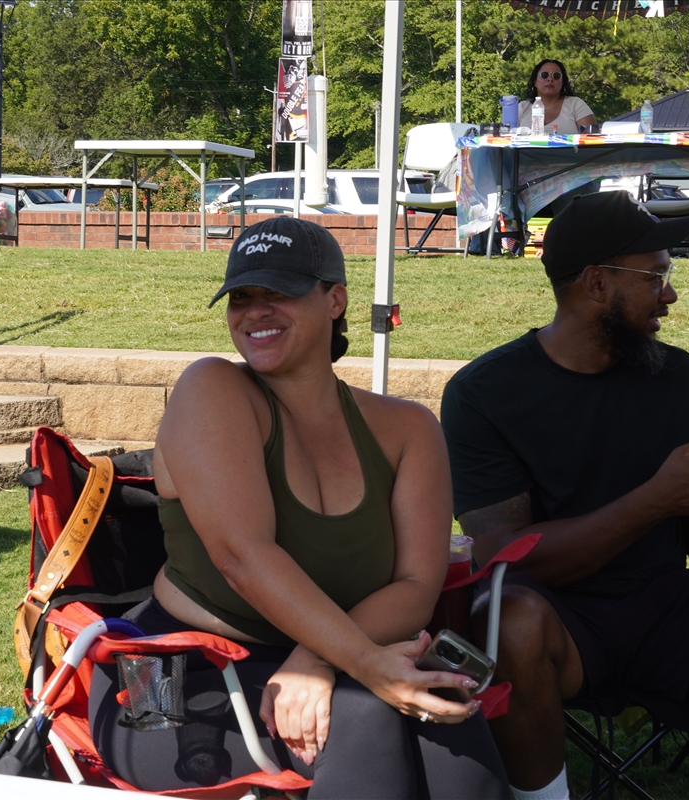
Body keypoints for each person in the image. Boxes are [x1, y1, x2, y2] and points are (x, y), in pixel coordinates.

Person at [88, 216, 509, 798]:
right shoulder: (211, 389)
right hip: (173, 679)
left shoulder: (407, 429)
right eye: (241, 297)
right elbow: (242, 555)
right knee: (365, 717)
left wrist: (321, 658)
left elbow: (417, 585)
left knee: (446, 712)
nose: (255, 312)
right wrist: (360, 661)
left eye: (279, 293)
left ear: (335, 300)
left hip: (323, 655)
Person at [440, 192, 689, 800]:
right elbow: (503, 558)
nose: (669, 295)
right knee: (507, 616)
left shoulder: (682, 379)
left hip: (668, 609)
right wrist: (655, 499)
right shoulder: (485, 391)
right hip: (556, 620)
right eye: (655, 276)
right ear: (597, 283)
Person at [518, 59, 597, 134]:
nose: (550, 79)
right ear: (535, 81)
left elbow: (591, 140)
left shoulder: (576, 104)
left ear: (562, 82)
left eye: (556, 76)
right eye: (544, 75)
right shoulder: (522, 108)